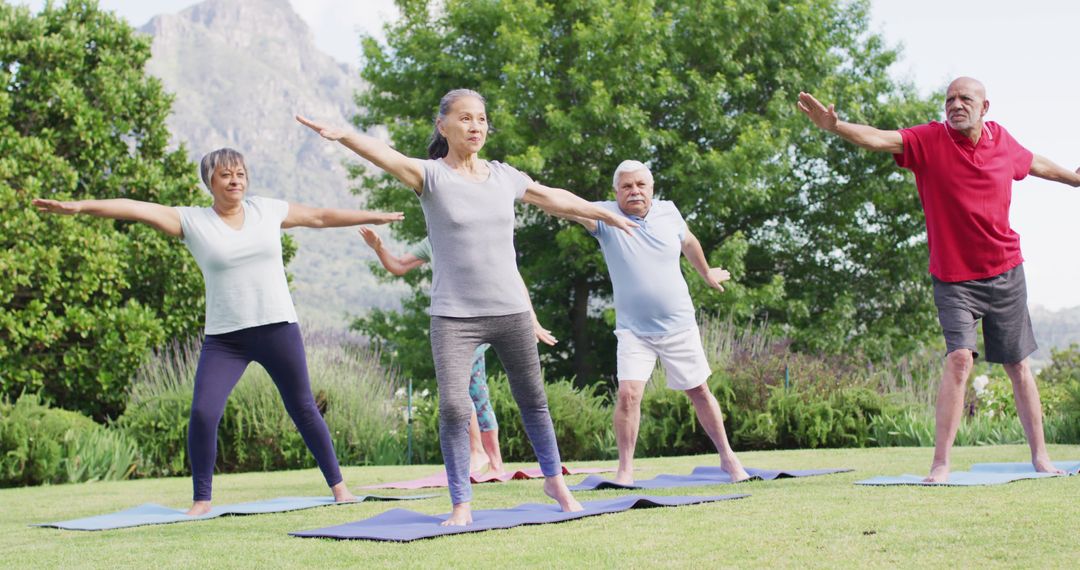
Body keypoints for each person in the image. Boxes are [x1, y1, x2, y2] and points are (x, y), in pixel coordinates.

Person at [297, 88, 637, 525]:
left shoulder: (503, 176)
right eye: (465, 118)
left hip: (511, 309)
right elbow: (386, 155)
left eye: (481, 119)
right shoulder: (431, 177)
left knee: (533, 399)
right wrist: (344, 135)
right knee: (455, 407)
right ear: (443, 126)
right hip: (455, 316)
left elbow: (554, 197)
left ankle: (555, 481)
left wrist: (606, 215)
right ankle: (461, 502)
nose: (475, 126)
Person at [33, 148, 404, 514]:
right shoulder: (192, 221)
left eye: (240, 173)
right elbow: (133, 207)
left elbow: (321, 216)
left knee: (304, 408)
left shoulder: (266, 210)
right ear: (210, 181)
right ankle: (202, 500)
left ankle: (340, 489)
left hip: (277, 327)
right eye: (226, 174)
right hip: (227, 339)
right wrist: (79, 206)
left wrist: (372, 215)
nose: (235, 180)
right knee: (204, 413)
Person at [798, 78, 1080, 482]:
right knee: (960, 358)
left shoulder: (1002, 141)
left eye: (965, 99)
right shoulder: (929, 140)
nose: (955, 105)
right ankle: (940, 464)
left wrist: (1074, 179)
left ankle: (1041, 458)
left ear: (985, 107)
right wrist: (836, 127)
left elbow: (1033, 163)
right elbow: (879, 139)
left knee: (1018, 365)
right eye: (949, 99)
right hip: (953, 278)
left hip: (1005, 270)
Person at [565, 160, 749, 485]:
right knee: (628, 395)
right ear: (616, 191)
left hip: (678, 324)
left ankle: (727, 457)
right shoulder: (605, 216)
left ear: (651, 189)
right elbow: (564, 205)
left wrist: (706, 273)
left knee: (700, 391)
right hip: (634, 330)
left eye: (641, 185)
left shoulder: (668, 212)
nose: (634, 191)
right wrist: (525, 187)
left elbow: (688, 241)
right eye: (627, 186)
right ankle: (625, 469)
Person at [359, 230, 560, 475]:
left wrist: (532, 319)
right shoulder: (433, 240)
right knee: (475, 390)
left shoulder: (479, 233)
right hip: (456, 325)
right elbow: (399, 266)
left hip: (487, 317)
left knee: (469, 389)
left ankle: (480, 453)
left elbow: (513, 277)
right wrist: (379, 247)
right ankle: (493, 461)